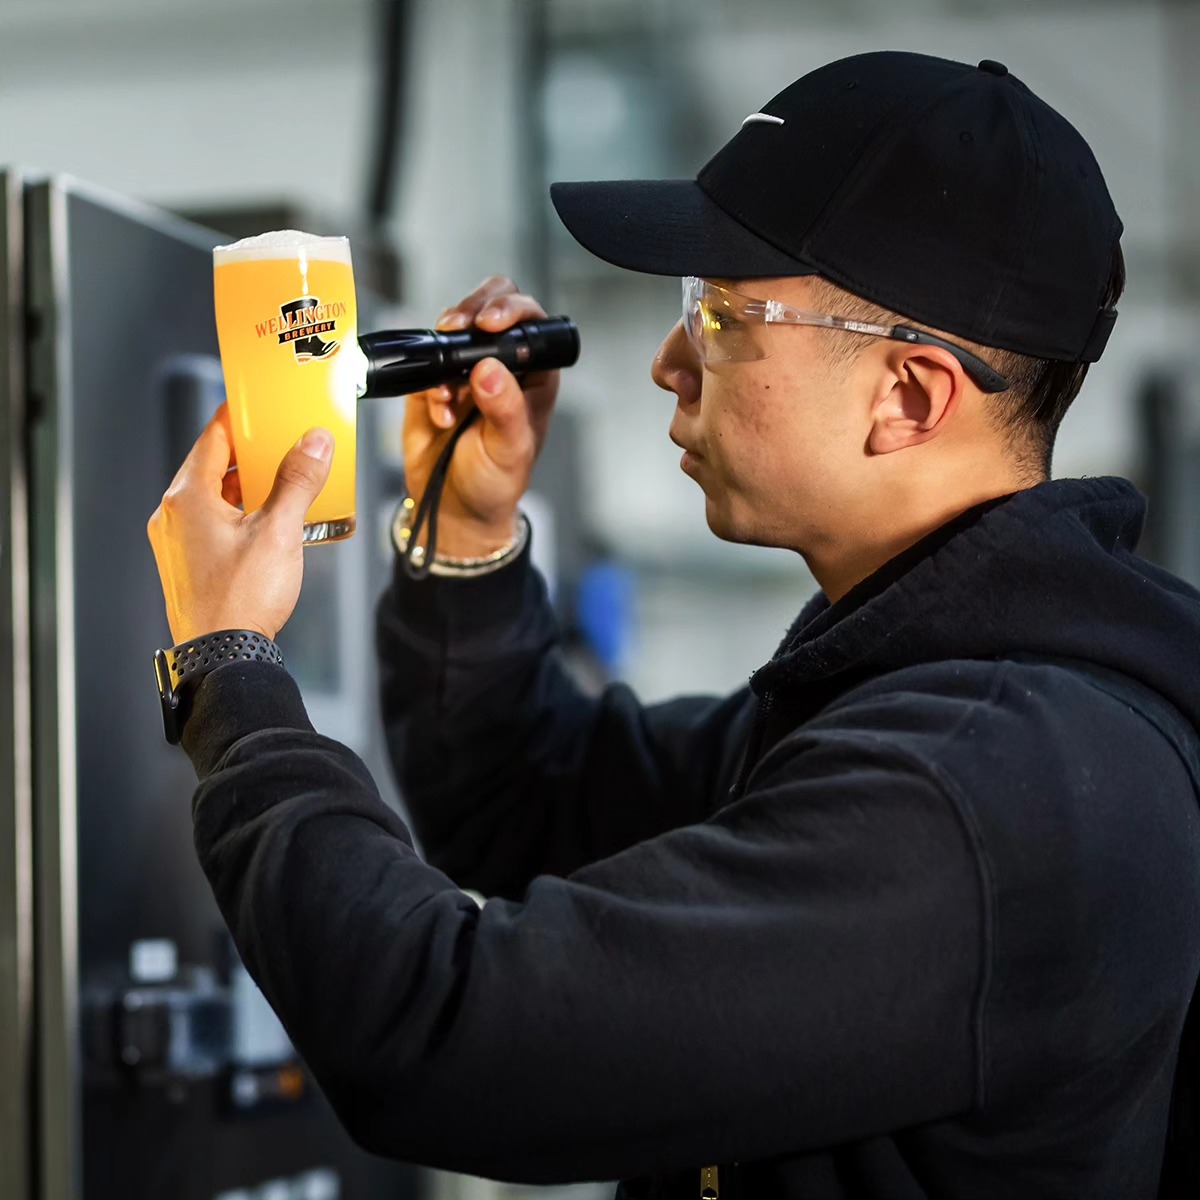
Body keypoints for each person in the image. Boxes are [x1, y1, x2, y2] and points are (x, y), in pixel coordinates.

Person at [147, 50, 1200, 1200]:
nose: (667, 363)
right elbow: (531, 803)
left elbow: (452, 1036)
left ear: (909, 396)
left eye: (725, 315)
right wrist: (468, 536)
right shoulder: (914, 693)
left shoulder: (981, 787)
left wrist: (229, 670)